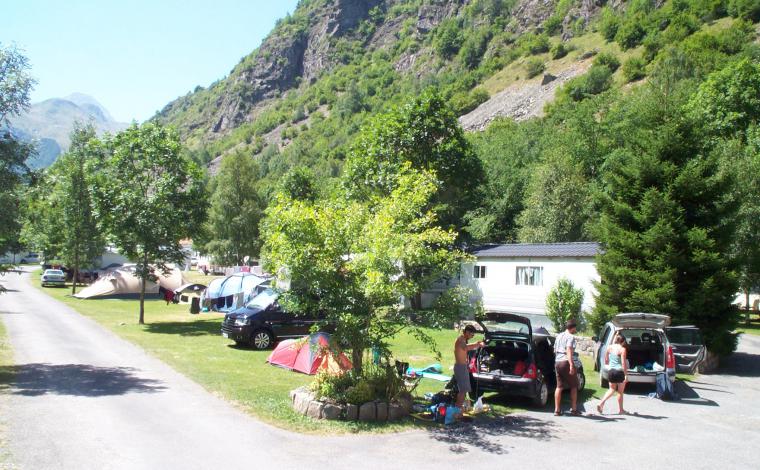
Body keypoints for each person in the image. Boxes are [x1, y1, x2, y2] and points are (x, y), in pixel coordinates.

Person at [454, 324, 485, 409]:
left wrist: (476, 344)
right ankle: (457, 410)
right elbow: (465, 348)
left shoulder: (463, 339)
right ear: (467, 332)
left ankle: (459, 409)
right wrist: (477, 345)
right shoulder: (460, 339)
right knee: (463, 391)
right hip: (460, 367)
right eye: (472, 334)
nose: (472, 336)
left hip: (463, 367)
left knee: (464, 390)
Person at [554, 319, 580, 416]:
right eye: (575, 328)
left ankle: (557, 410)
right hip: (565, 361)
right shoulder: (570, 337)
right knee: (574, 385)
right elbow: (569, 350)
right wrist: (571, 365)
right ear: (572, 328)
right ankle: (573, 409)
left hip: (557, 361)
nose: (575, 330)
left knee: (559, 386)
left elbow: (555, 350)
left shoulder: (559, 336)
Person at [597, 333, 629, 415]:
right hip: (619, 372)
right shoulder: (622, 349)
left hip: (611, 371)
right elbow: (623, 363)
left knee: (611, 389)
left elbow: (606, 359)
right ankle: (621, 410)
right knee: (620, 392)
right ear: (623, 341)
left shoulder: (609, 347)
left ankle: (601, 403)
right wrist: (626, 375)